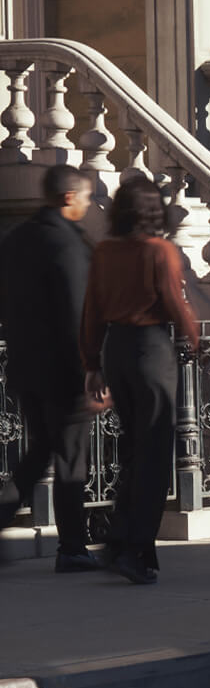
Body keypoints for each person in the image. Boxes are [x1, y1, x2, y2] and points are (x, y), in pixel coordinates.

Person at [80, 175, 201, 585]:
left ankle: (118, 540)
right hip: (151, 349)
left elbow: (91, 309)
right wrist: (198, 341)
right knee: (153, 456)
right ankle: (136, 550)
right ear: (155, 211)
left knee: (132, 450)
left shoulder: (104, 251)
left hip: (115, 348)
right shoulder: (159, 250)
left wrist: (92, 364)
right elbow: (173, 301)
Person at [0, 165, 101, 573]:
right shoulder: (68, 244)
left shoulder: (16, 239)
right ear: (67, 198)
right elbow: (78, 313)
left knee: (39, 451)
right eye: (86, 197)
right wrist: (91, 369)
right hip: (65, 369)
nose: (89, 204)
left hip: (25, 365)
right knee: (71, 460)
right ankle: (73, 547)